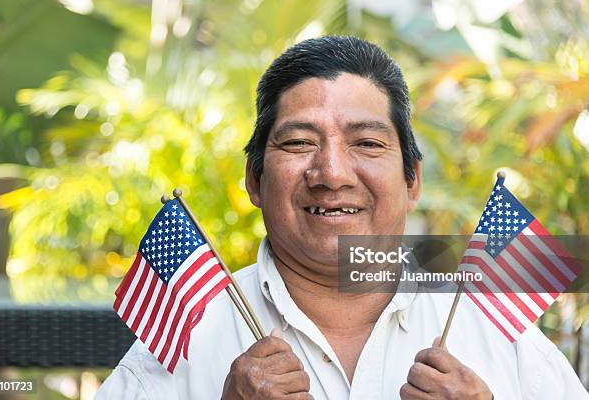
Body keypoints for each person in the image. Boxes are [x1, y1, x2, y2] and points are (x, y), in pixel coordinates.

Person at [96, 36, 587, 399]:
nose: (331, 173)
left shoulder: (502, 343)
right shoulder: (183, 343)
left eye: (367, 143)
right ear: (254, 180)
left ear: (412, 180)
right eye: (299, 142)